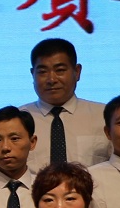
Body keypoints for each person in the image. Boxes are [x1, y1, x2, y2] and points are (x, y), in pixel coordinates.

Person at [21, 38, 110, 171]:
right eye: (42, 72)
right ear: (32, 74)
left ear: (77, 71)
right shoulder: (17, 121)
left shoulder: (105, 116)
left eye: (60, 70)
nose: (51, 79)